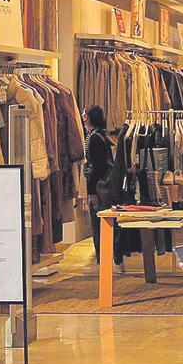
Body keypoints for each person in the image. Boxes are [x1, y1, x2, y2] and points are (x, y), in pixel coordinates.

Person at [83, 106, 114, 263]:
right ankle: (107, 257)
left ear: (88, 117)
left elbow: (98, 166)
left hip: (99, 188)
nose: (82, 116)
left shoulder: (94, 138)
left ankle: (104, 258)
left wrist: (91, 191)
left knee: (99, 224)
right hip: (103, 186)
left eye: (85, 113)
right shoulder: (100, 135)